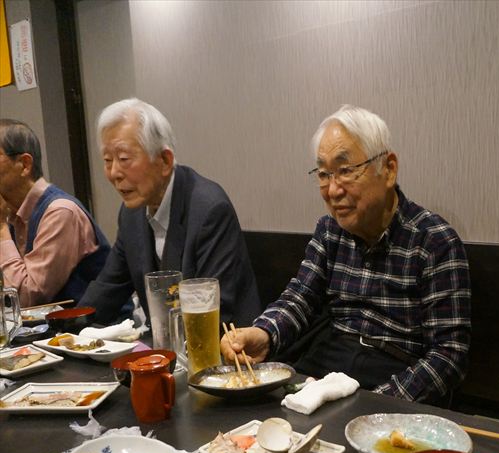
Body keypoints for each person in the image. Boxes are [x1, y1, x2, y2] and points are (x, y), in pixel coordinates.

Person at [222, 105, 471, 404]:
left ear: (388, 169)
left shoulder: (434, 241)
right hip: (329, 368)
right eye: (324, 174)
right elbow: (300, 298)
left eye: (345, 171)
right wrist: (264, 333)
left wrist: (377, 403)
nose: (333, 190)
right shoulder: (330, 230)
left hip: (395, 372)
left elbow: (448, 355)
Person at [79, 98, 260, 325]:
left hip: (222, 341)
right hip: (164, 342)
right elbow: (107, 289)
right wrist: (66, 332)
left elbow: (214, 312)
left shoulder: (209, 209)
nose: (114, 172)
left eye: (124, 159)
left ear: (165, 161)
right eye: (107, 160)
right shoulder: (131, 214)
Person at [0, 119, 110, 307]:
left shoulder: (60, 212)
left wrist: (1, 228)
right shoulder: (10, 214)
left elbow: (26, 298)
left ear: (25, 164)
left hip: (95, 324)